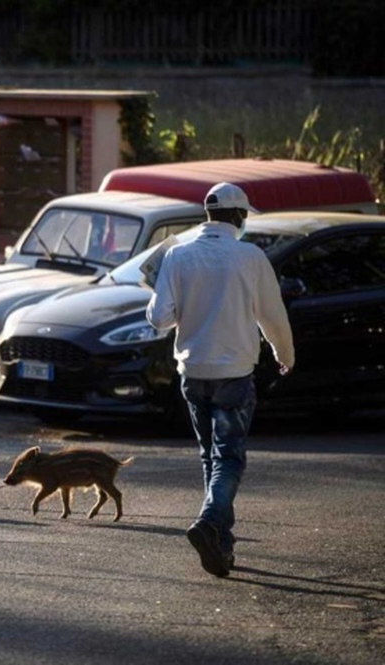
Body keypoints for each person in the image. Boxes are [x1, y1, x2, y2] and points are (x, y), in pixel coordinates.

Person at [145, 182, 294, 578]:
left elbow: (159, 319)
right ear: (240, 217)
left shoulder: (177, 255)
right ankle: (210, 522)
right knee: (229, 459)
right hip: (235, 373)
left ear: (208, 215)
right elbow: (272, 316)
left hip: (193, 373)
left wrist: (158, 288)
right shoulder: (250, 256)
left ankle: (222, 546)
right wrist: (284, 355)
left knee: (211, 458)